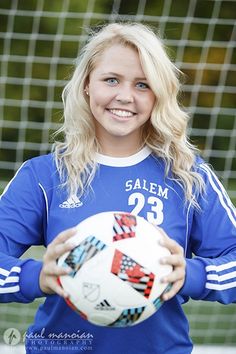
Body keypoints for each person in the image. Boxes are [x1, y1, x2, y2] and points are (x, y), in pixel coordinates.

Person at [0, 22, 235, 354]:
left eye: (143, 84)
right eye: (111, 80)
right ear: (86, 85)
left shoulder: (187, 175)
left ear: (159, 94)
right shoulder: (44, 176)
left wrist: (192, 275)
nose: (125, 96)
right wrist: (35, 277)